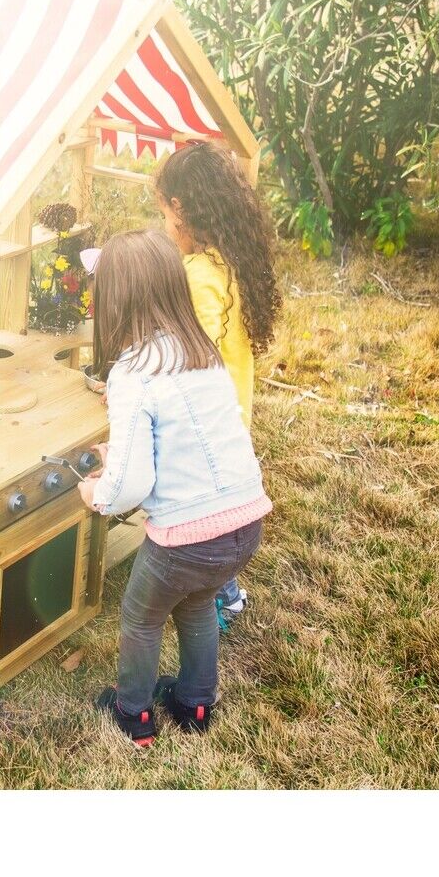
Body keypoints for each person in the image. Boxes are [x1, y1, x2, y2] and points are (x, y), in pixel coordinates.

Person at [78, 230, 272, 745]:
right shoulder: (201, 350)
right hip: (245, 522)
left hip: (186, 539)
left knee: (141, 617)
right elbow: (190, 441)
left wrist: (97, 492)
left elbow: (130, 485)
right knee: (197, 605)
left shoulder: (133, 371)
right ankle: (195, 704)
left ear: (114, 302)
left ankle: (134, 713)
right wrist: (117, 455)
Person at [153, 141, 281, 621]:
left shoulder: (198, 275)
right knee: (215, 506)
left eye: (165, 214)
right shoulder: (231, 261)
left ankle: (219, 597)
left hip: (205, 421)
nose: (165, 225)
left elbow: (192, 352)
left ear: (182, 211)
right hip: (233, 414)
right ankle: (220, 587)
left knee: (203, 514)